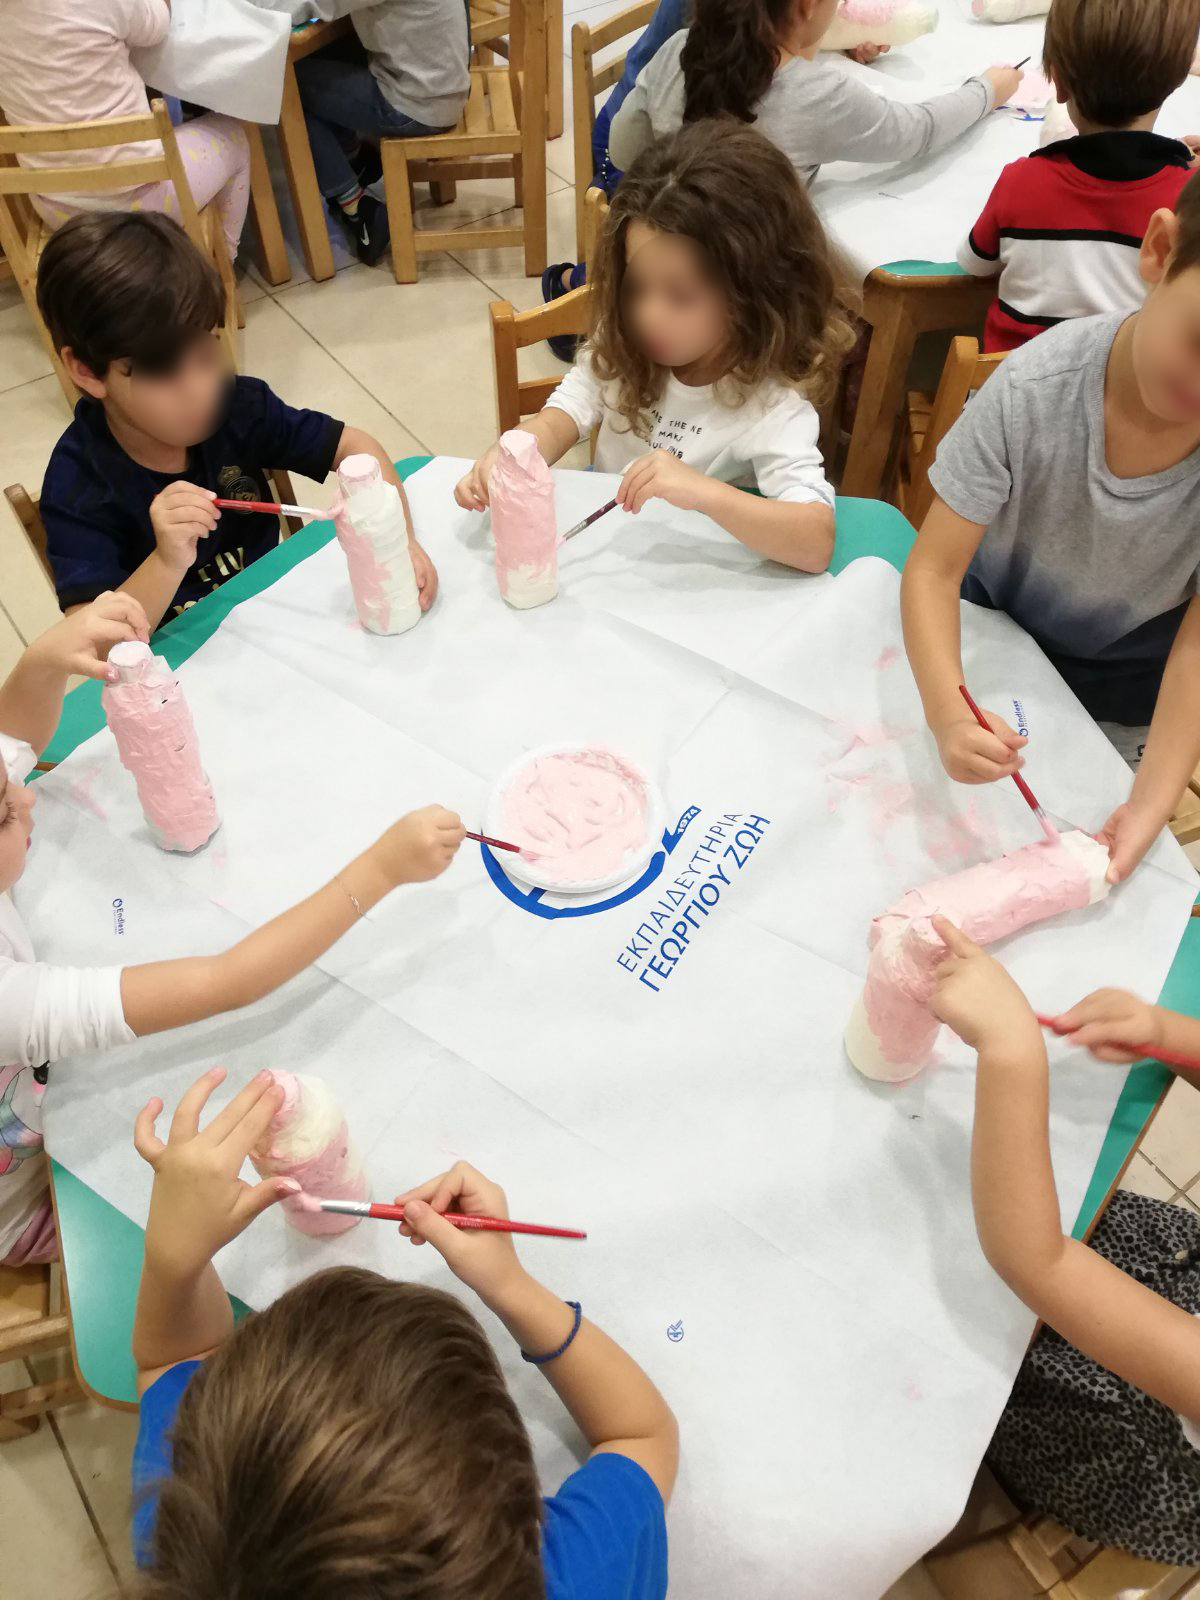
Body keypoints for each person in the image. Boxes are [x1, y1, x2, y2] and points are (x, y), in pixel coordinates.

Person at [0, 597, 465, 1265]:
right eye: (5, 814)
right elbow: (228, 980)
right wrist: (382, 869)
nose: (27, 795)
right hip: (26, 1197)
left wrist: (39, 664)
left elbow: (12, 738)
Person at [128, 1073, 678, 1598]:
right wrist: (511, 1286)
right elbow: (640, 1435)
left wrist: (173, 1256)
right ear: (512, 1495)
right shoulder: (579, 1580)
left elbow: (175, 1359)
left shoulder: (191, 1533)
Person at [902, 172, 1200, 885]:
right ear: (1160, 251)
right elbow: (932, 572)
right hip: (990, 649)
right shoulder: (1034, 390)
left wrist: (1152, 800)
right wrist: (947, 712)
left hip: (1125, 699)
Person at [458, 121, 851, 575]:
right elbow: (572, 403)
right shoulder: (628, 341)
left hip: (684, 573)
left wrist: (703, 493)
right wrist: (523, 448)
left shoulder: (771, 403)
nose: (648, 315)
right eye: (638, 285)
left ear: (755, 293)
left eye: (680, 296)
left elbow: (815, 543)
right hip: (608, 556)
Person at [930, 918, 1200, 1566]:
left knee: (967, 1342)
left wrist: (1010, 1050)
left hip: (1118, 1426)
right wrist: (1164, 1033)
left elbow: (1037, 1262)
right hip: (1170, 1275)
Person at [35, 211, 437, 629]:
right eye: (162, 371)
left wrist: (400, 543)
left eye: (206, 354)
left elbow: (355, 447)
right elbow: (95, 639)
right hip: (177, 655)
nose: (198, 389)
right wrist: (166, 561)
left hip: (274, 615)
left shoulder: (238, 406)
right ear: (87, 370)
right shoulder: (78, 485)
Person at [958, 0, 1200, 353]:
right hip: (1119, 386)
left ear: (1057, 82)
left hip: (1012, 384)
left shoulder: (1021, 181)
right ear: (1178, 79)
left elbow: (975, 266)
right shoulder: (1188, 204)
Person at [606, 0, 1018, 188]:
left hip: (656, 262)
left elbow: (622, 149)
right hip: (748, 301)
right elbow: (919, 130)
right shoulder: (821, 97)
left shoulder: (681, 47)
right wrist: (986, 90)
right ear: (807, 6)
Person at [0, 0, 251, 260]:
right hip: (141, 207)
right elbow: (158, 24)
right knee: (232, 132)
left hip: (57, 211)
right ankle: (221, 263)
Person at [263, 0, 471, 265]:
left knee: (287, 78)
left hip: (416, 105)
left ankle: (356, 207)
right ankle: (354, 162)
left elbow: (310, 4)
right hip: (445, 87)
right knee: (323, 57)